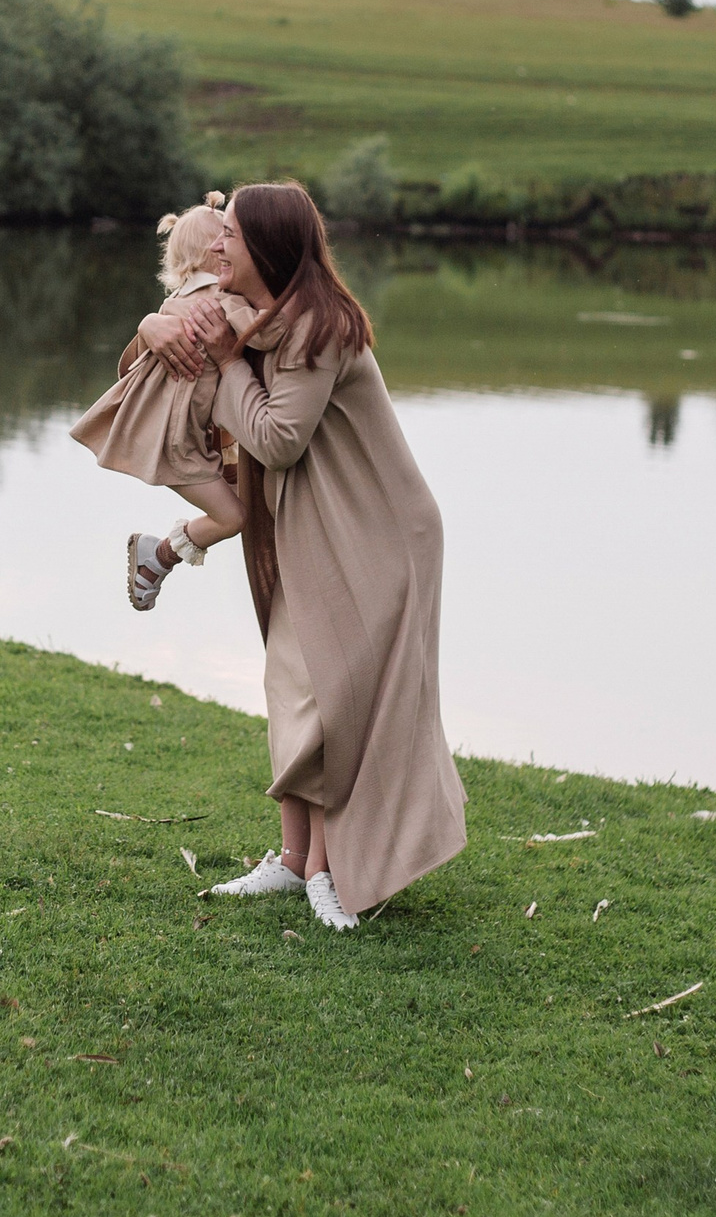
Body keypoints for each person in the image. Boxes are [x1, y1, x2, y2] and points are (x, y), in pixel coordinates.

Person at [137, 181, 465, 931]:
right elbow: (174, 314)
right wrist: (157, 326)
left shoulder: (320, 326)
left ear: (267, 249)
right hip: (318, 527)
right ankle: (294, 861)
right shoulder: (254, 307)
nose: (217, 244)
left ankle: (329, 869)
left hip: (380, 534)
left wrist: (229, 367)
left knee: (333, 693)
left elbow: (278, 439)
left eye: (231, 235)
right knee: (292, 680)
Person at [68, 193, 268, 610]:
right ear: (216, 253)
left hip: (185, 437)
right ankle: (157, 558)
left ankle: (157, 557)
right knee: (234, 517)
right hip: (182, 444)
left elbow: (129, 368)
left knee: (243, 505)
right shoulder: (222, 301)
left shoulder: (173, 304)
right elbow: (267, 333)